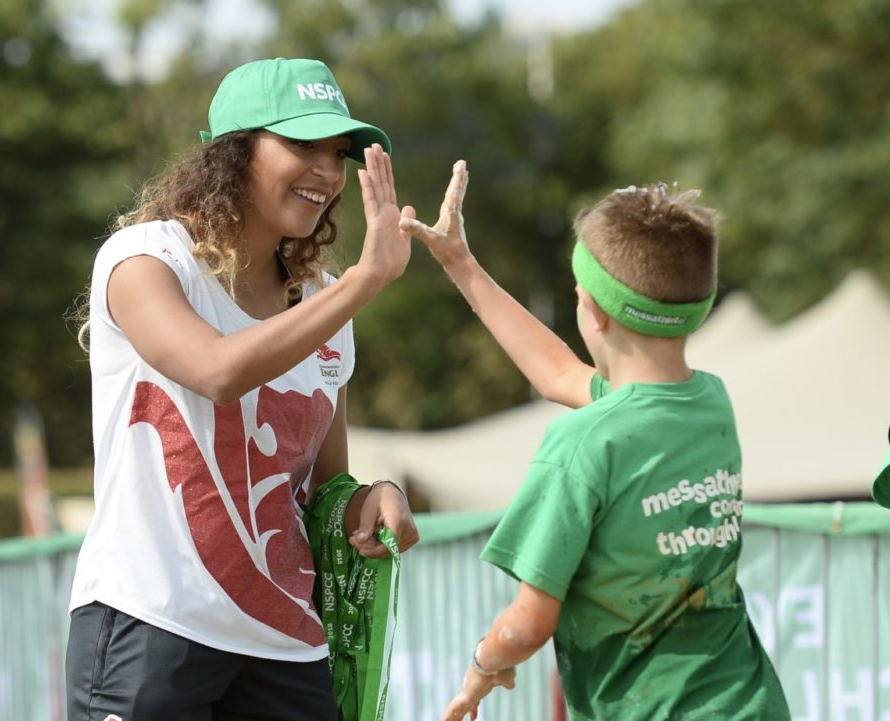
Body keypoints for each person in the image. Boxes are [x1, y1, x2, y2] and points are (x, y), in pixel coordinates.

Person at [65, 57, 419, 721]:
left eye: (338, 153)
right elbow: (217, 371)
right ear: (233, 152)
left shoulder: (323, 299)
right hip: (153, 625)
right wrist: (364, 281)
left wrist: (374, 498)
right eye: (303, 144)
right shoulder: (146, 258)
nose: (327, 171)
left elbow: (321, 488)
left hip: (285, 644)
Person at [401, 164, 792, 721]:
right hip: (752, 704)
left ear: (595, 313)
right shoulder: (709, 402)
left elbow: (527, 624)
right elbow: (558, 375)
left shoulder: (582, 442)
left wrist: (484, 664)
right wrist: (461, 263)